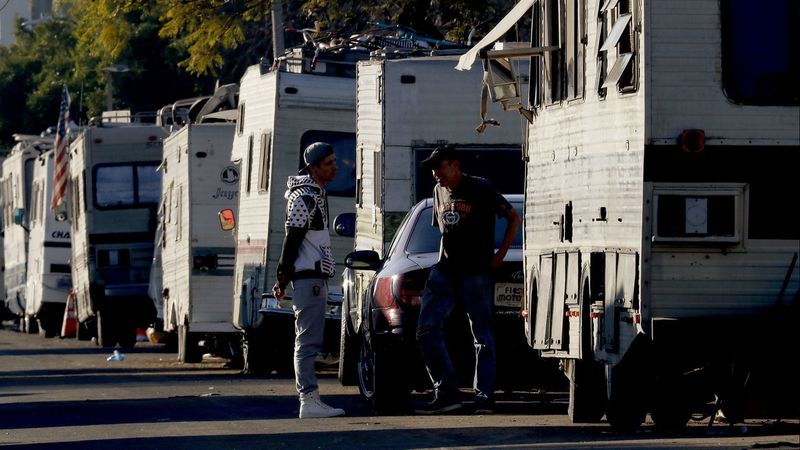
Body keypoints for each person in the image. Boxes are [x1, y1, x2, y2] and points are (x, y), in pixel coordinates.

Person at [415, 145, 521, 415]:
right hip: (446, 270)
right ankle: (447, 391)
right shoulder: (438, 192)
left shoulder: (480, 188)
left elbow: (513, 217)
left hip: (475, 272)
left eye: (440, 166)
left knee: (482, 337)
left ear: (455, 165)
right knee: (426, 329)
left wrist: (499, 256)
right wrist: (439, 267)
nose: (436, 173)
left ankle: (484, 398)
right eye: (433, 168)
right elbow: (444, 233)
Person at [273, 142, 345, 419]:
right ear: (313, 168)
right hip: (308, 277)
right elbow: (292, 238)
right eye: (328, 163)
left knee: (308, 340)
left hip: (310, 276)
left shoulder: (312, 193)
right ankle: (309, 399)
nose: (335, 167)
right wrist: (283, 275)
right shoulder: (306, 197)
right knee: (307, 341)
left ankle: (311, 398)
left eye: (334, 161)